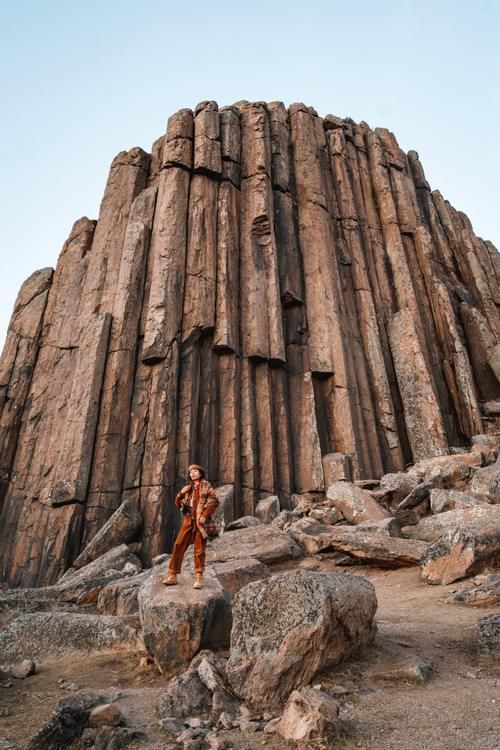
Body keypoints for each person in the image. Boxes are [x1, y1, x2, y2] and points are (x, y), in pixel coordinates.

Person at [163, 464, 219, 589]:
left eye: (195, 471)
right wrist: (181, 493)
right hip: (188, 521)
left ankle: (198, 578)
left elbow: (214, 501)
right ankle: (172, 575)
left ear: (200, 473)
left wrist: (204, 515)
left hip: (200, 523)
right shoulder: (188, 488)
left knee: (199, 550)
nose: (192, 473)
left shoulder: (206, 485)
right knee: (178, 545)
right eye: (191, 472)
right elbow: (178, 503)